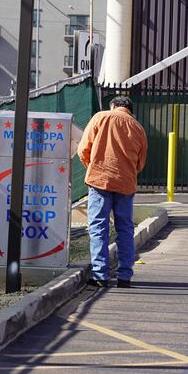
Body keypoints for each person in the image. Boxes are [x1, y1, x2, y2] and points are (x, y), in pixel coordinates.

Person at [77, 95, 148, 288]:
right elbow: (140, 161)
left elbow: (84, 148)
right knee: (125, 228)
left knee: (98, 227)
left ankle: (100, 275)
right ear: (130, 109)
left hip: (100, 181)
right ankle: (125, 276)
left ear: (114, 105)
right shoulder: (138, 127)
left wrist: (93, 167)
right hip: (125, 183)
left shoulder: (101, 117)